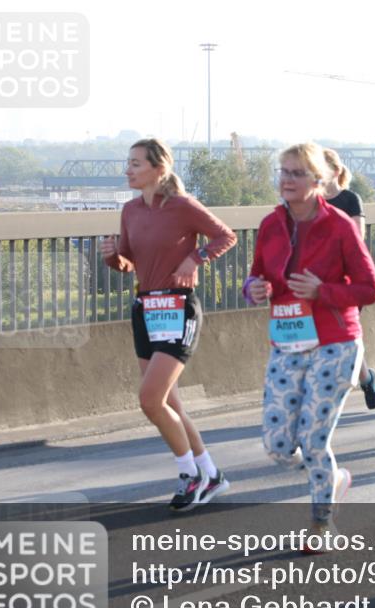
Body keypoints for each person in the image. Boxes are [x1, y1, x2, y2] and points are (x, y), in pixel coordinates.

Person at [245, 143, 375, 547]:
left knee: (314, 439)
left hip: (335, 343)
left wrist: (324, 292)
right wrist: (254, 288)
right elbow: (255, 278)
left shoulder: (339, 225)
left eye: (297, 173)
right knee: (278, 445)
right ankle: (334, 477)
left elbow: (370, 289)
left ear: (318, 181)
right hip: (287, 342)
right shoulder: (271, 224)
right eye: (283, 172)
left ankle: (322, 522)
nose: (286, 180)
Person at [101, 138, 237, 511]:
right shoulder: (130, 211)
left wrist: (195, 259)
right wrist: (113, 257)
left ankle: (190, 474)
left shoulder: (182, 207)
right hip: (145, 308)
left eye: (135, 164)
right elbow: (129, 262)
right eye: (127, 163)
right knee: (169, 400)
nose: (127, 170)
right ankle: (211, 473)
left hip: (178, 309)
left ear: (158, 169)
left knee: (150, 400)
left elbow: (226, 235)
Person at [322, 148, 375, 411]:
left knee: (343, 337)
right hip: (318, 281)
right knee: (332, 337)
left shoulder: (350, 199)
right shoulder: (310, 201)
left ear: (335, 171)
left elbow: (358, 239)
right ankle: (366, 377)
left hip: (348, 280)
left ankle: (360, 380)